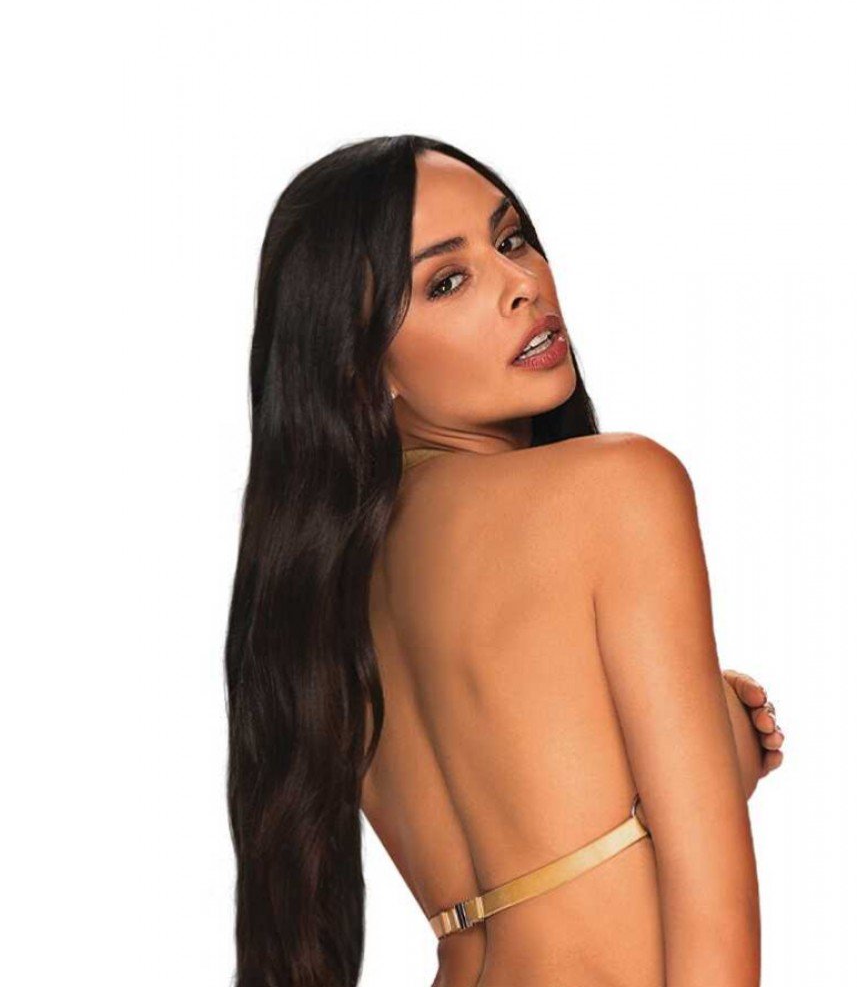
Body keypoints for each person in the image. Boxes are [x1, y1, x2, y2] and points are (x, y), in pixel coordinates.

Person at [224, 135, 785, 987]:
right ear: (363, 365)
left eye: (511, 238)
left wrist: (712, 740)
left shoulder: (329, 586)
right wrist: (710, 746)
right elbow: (713, 927)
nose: (521, 283)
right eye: (447, 281)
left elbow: (535, 831)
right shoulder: (617, 488)